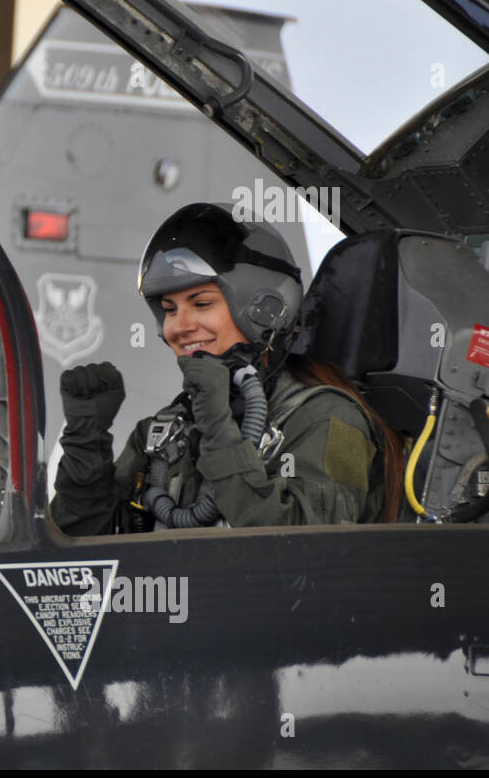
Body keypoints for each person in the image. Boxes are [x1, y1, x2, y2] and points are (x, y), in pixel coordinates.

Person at [51, 203, 403, 535]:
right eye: (169, 309)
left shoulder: (328, 418)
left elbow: (306, 555)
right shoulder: (166, 432)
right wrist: (87, 443)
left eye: (201, 304)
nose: (179, 326)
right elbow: (86, 557)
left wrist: (219, 430)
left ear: (265, 310)